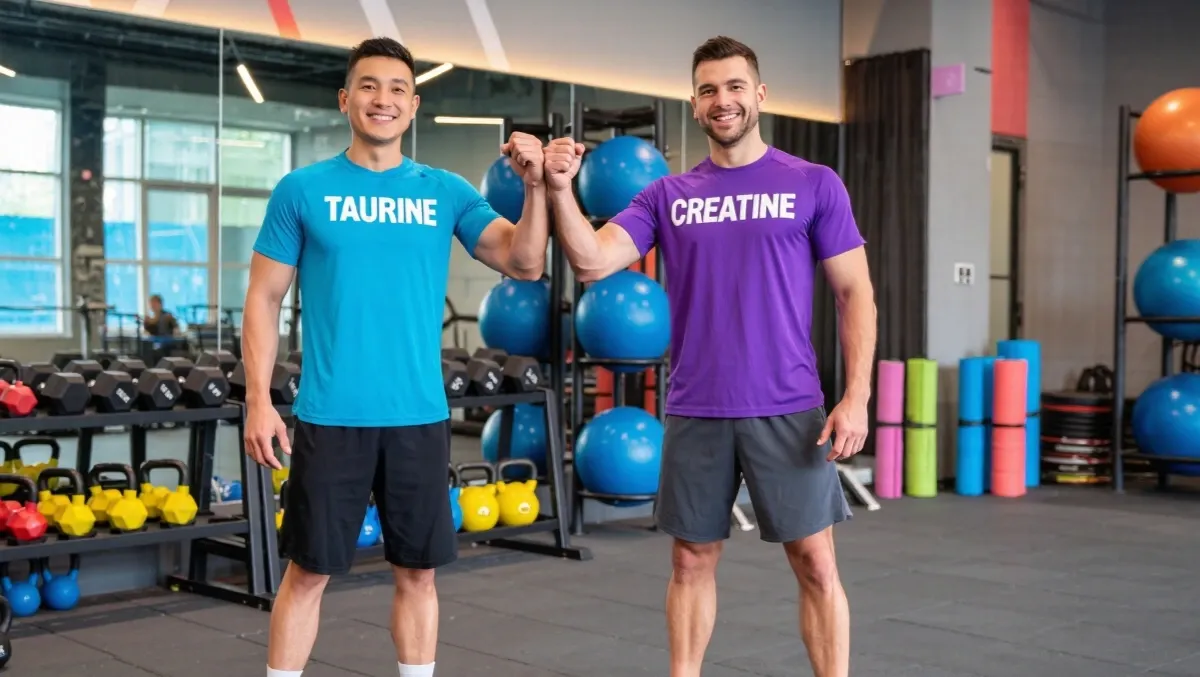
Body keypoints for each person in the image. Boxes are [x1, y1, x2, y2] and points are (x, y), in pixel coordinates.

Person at [544, 36, 876, 677]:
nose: (721, 100)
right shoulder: (667, 196)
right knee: (690, 561)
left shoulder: (812, 183)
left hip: (789, 405)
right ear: (694, 106)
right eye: (707, 90)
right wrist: (560, 189)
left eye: (733, 87)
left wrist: (857, 394)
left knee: (816, 562)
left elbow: (854, 292)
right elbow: (590, 261)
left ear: (759, 94)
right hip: (698, 406)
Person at [240, 37, 550, 677]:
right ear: (346, 98)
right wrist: (258, 400)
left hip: (417, 415)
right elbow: (263, 300)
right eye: (370, 85)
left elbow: (525, 260)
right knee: (308, 573)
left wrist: (538, 186)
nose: (384, 99)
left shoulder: (446, 192)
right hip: (331, 415)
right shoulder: (303, 190)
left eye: (397, 89)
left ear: (414, 106)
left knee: (419, 573)